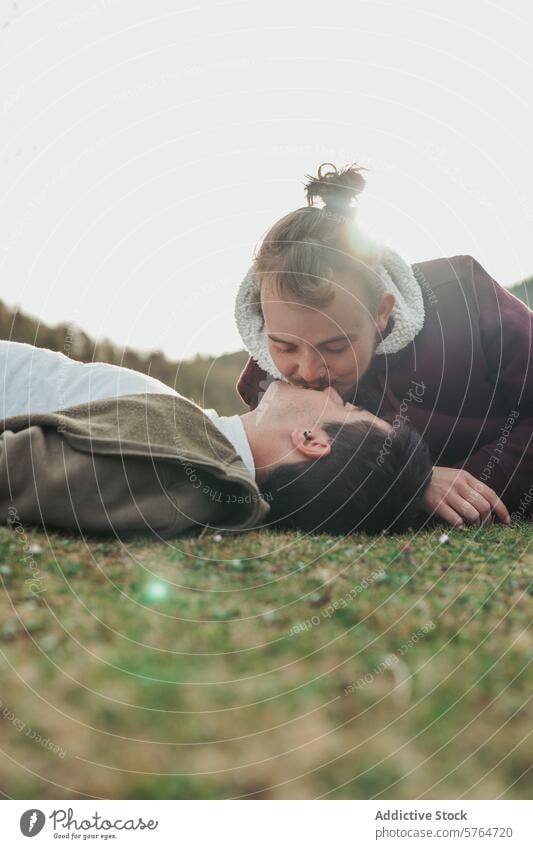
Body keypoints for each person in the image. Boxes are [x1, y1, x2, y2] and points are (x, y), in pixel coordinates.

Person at [235, 163, 531, 527]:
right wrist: (409, 483)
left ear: (382, 311)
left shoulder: (462, 298)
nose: (308, 373)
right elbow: (297, 483)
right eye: (285, 346)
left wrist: (475, 485)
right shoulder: (266, 387)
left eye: (335, 347)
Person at [0, 339, 433, 539]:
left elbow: (17, 471)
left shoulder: (186, 473)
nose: (334, 392)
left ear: (312, 440)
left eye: (348, 409)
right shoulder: (199, 443)